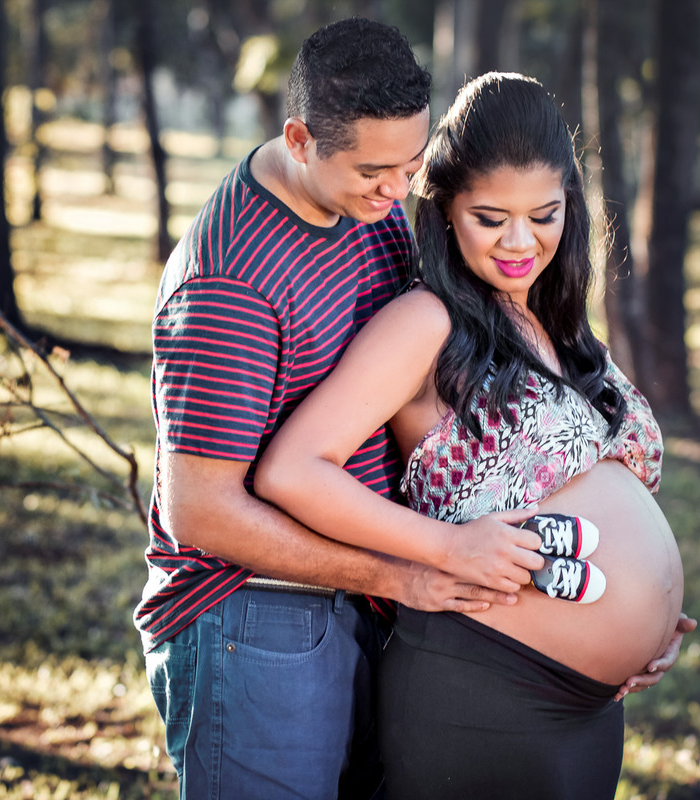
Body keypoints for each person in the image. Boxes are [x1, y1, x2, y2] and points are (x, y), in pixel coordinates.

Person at [135, 20, 551, 800]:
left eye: (411, 164)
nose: (399, 191)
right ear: (299, 137)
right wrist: (402, 572)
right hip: (252, 620)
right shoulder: (229, 281)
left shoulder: (372, 207)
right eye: (374, 170)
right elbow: (200, 512)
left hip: (369, 595)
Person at [256, 72, 696, 799]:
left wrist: (654, 621)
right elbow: (292, 471)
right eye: (491, 217)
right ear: (447, 211)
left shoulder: (557, 322)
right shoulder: (427, 322)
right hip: (484, 691)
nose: (520, 241)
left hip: (589, 709)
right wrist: (448, 548)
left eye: (544, 214)